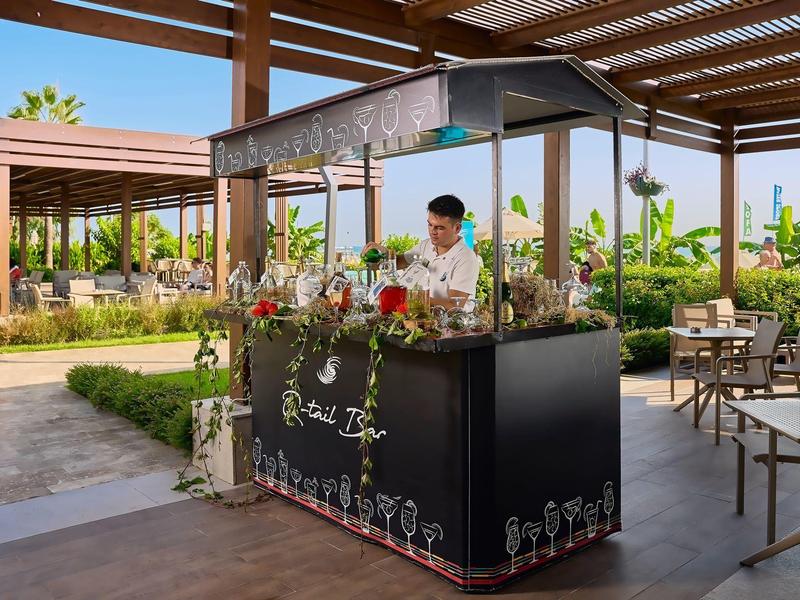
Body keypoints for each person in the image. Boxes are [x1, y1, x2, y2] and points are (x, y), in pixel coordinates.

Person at [361, 194, 481, 308]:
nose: (432, 231)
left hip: (450, 326)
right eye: (430, 225)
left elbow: (454, 304)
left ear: (457, 228)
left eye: (440, 228)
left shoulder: (465, 258)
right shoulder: (425, 246)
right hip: (418, 318)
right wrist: (383, 254)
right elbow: (397, 262)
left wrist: (410, 297)